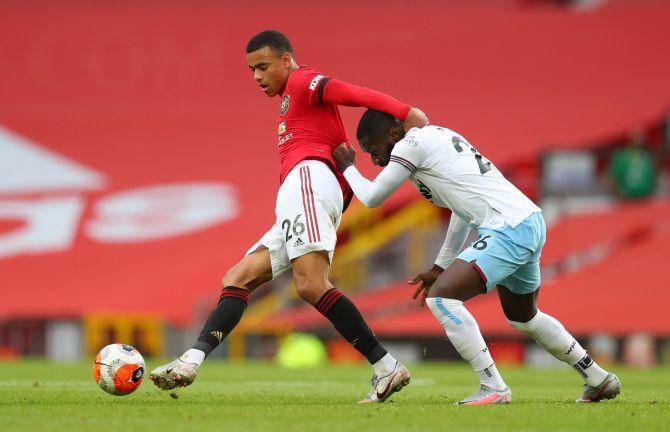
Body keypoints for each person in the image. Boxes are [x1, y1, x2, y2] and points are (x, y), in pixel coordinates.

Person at [149, 30, 429, 403]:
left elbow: (348, 91)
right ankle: (191, 361)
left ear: (285, 60)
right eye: (251, 70)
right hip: (300, 192)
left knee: (311, 285)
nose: (257, 76)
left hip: (310, 182)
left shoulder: (301, 80)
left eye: (263, 66)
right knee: (238, 277)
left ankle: (386, 366)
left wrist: (405, 112)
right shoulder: (289, 100)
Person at [332, 109, 621, 405]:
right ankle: (597, 377)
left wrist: (348, 168)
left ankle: (493, 386)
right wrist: (440, 266)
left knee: (441, 298)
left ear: (393, 133)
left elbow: (371, 197)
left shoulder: (411, 145)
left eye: (374, 149)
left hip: (508, 227)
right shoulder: (434, 142)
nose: (376, 160)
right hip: (527, 220)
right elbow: (461, 210)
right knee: (524, 317)